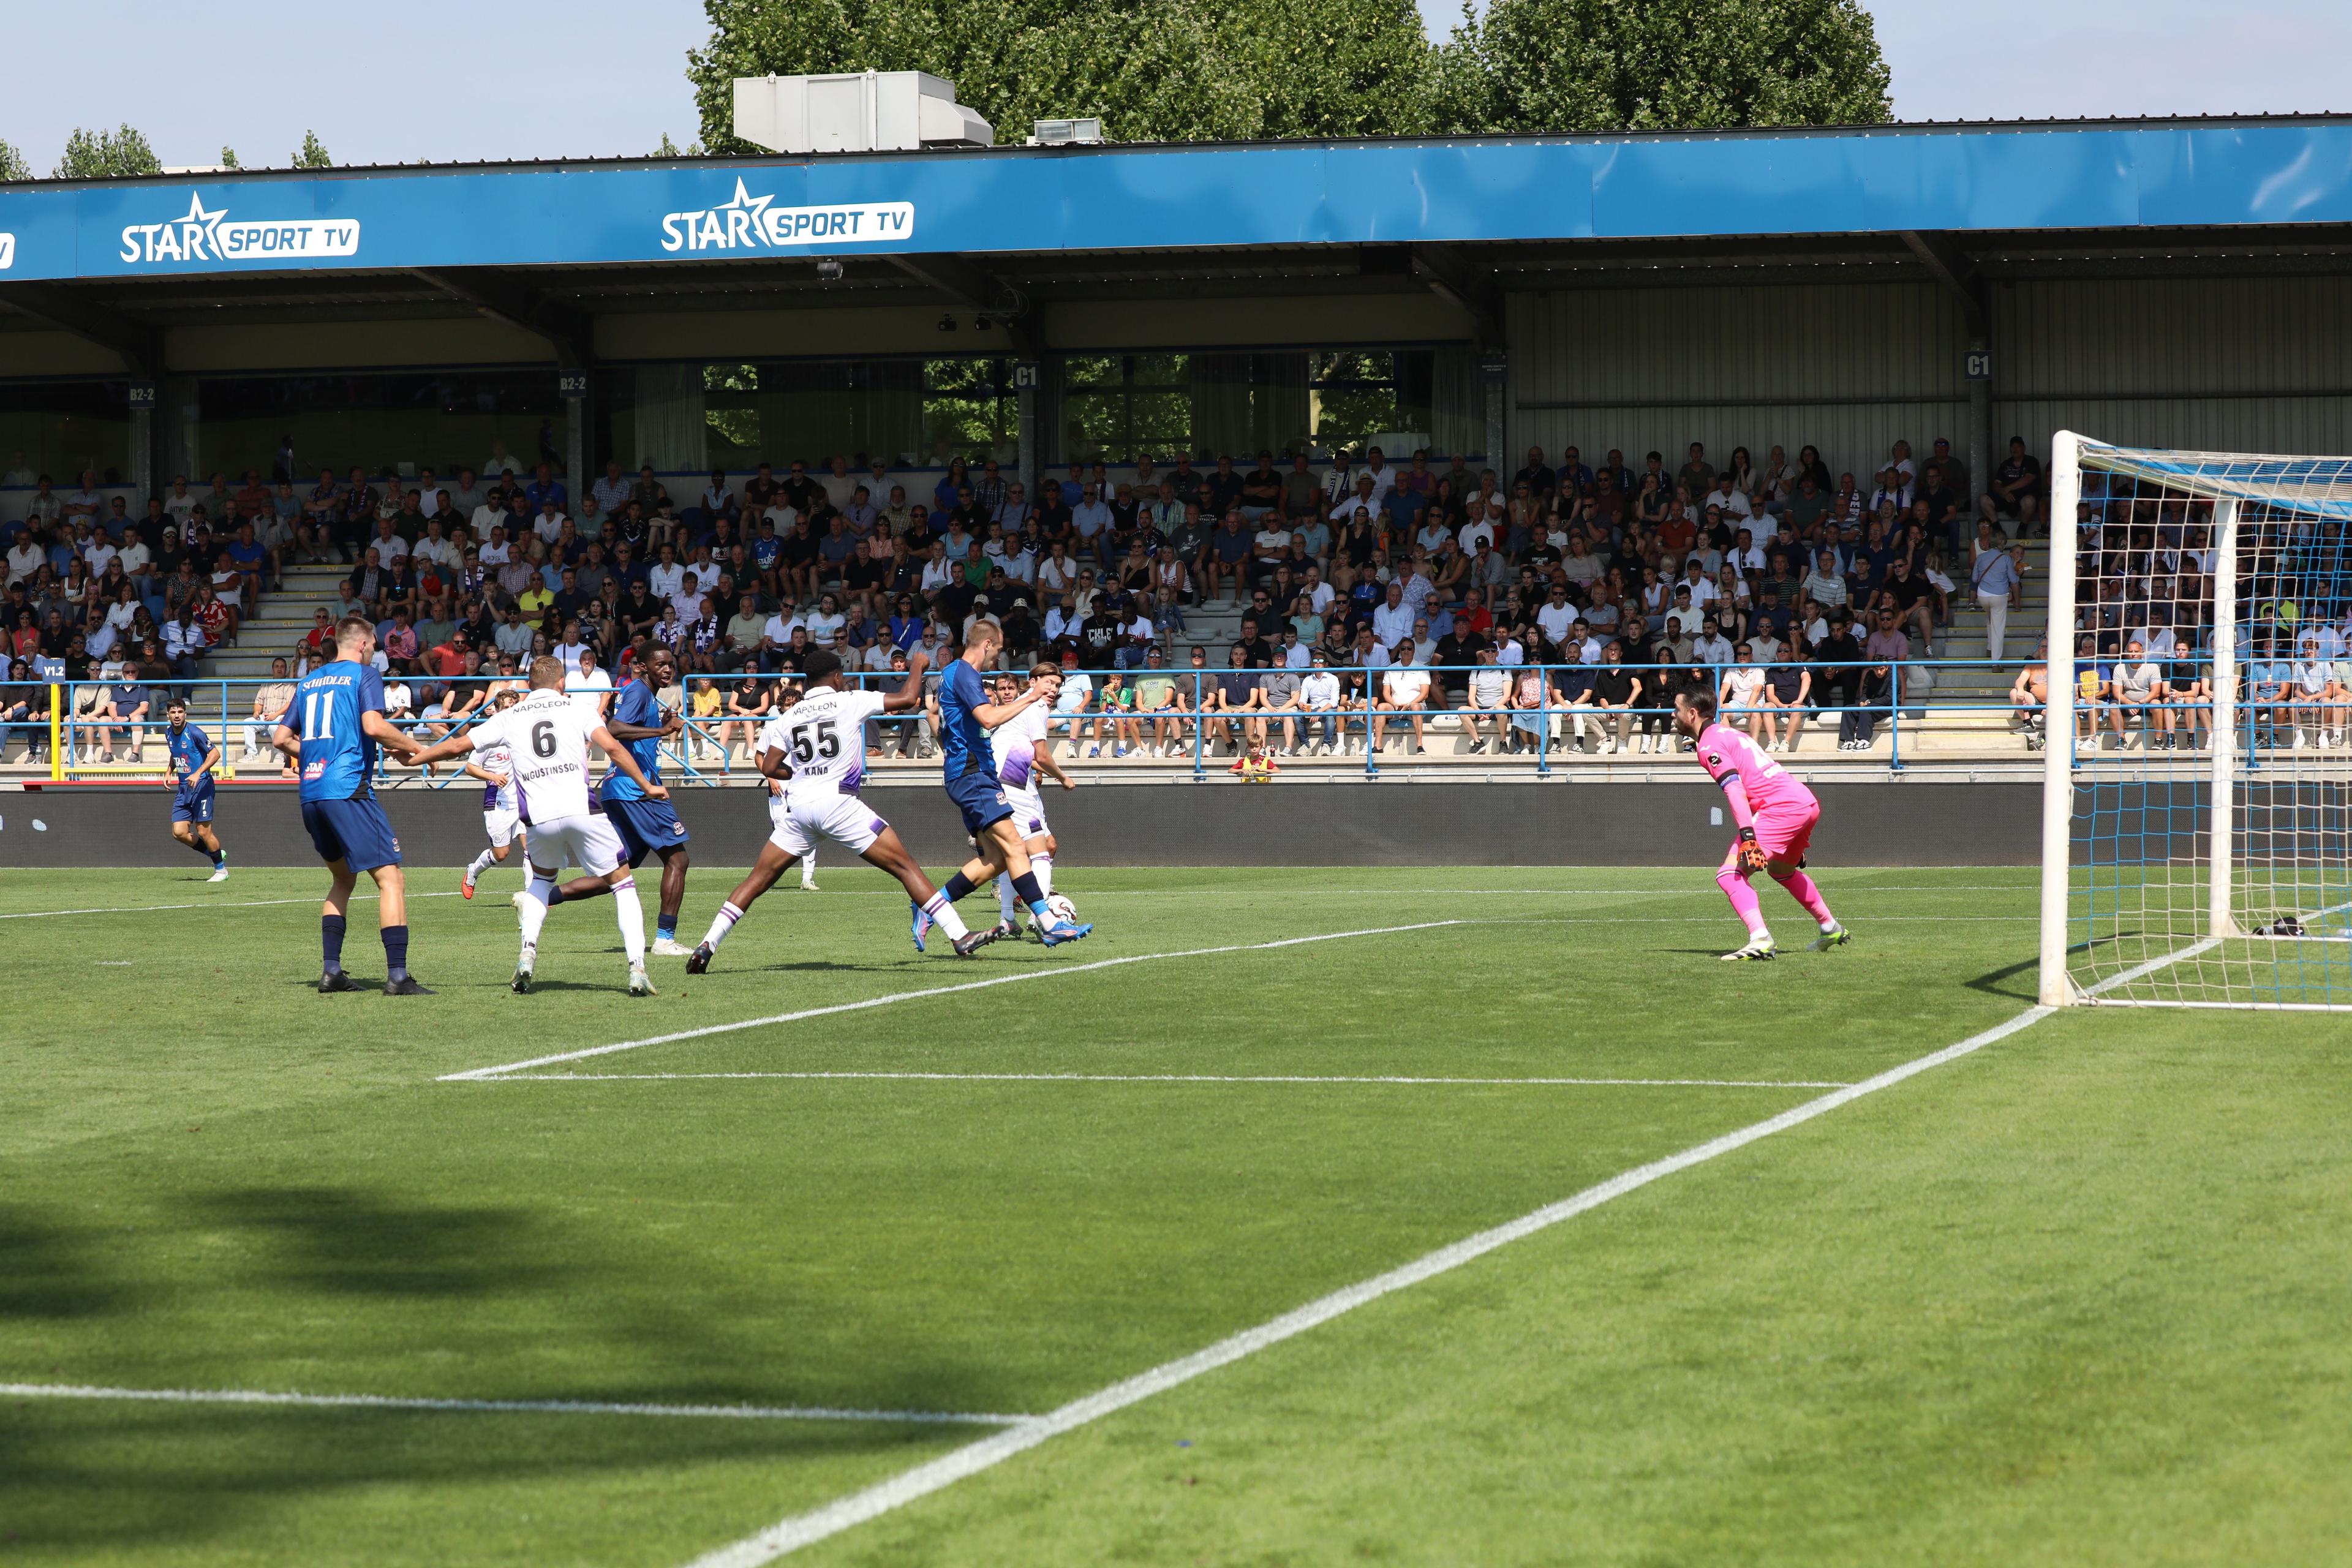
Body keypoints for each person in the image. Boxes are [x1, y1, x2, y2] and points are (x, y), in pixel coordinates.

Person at [689, 650, 997, 969]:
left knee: (756, 880)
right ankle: (959, 934)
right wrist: (918, 665)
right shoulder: (849, 700)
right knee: (905, 867)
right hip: (838, 803)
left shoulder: (789, 716)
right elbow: (908, 698)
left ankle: (707, 944)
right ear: (836, 677)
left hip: (799, 809)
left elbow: (769, 765)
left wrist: (799, 775)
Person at [404, 656, 668, 996]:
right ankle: (637, 969)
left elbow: (456, 746)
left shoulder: (510, 716)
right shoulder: (578, 708)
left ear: (528, 685)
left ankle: (528, 952)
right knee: (623, 884)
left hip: (538, 819)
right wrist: (647, 786)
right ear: (562, 683)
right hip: (581, 809)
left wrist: (414, 757)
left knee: (541, 882)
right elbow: (614, 748)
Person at [272, 614, 432, 994]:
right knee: (391, 879)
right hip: (348, 789)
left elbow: (281, 738)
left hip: (312, 793)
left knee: (343, 878)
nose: (375, 651)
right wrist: (417, 747)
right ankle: (397, 976)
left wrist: (316, 756)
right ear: (362, 644)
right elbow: (374, 726)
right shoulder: (365, 676)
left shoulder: (309, 681)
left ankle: (331, 972)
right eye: (374, 645)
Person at [916, 621, 1091, 948]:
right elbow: (988, 719)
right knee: (1017, 846)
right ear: (987, 644)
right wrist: (1031, 697)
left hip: (975, 772)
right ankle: (1047, 921)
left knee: (997, 859)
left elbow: (955, 724)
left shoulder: (955, 674)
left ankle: (930, 907)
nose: (998, 655)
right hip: (973, 772)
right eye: (997, 649)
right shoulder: (965, 673)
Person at [515, 646, 696, 954]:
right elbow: (615, 728)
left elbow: (628, 727)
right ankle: (665, 940)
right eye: (661, 664)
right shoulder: (639, 691)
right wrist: (662, 729)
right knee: (678, 860)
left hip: (617, 791)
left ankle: (538, 898)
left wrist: (657, 726)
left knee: (614, 873)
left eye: (671, 665)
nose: (668, 670)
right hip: (635, 791)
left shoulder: (644, 694)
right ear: (641, 666)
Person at [1674, 687, 1849, 961]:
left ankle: (1760, 939)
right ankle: (1830, 927)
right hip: (1804, 802)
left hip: (1780, 808)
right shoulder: (1730, 733)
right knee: (1781, 870)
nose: (1673, 715)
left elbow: (1735, 789)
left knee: (1729, 875)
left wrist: (1749, 837)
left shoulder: (1708, 744)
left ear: (1692, 714)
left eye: (1677, 710)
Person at [986, 666, 1077, 940]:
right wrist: (1063, 777)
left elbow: (1026, 752)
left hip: (1008, 782)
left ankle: (1007, 918)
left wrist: (1042, 770)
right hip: (1013, 783)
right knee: (1040, 851)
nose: (1053, 690)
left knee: (1016, 851)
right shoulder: (1035, 705)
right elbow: (1042, 753)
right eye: (1048, 683)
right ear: (1033, 682)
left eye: (1058, 686)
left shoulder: (1020, 706)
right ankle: (1042, 918)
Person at [459, 690, 528, 897]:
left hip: (523, 800)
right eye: (506, 707)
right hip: (499, 801)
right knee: (501, 853)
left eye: (514, 707)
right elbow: (470, 767)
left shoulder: (524, 733)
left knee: (531, 848)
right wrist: (492, 776)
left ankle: (534, 893)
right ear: (497, 711)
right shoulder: (489, 735)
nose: (510, 711)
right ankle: (473, 871)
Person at [160, 696, 228, 881]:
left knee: (204, 831)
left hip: (202, 785)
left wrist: (198, 773)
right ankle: (214, 853)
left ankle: (221, 871)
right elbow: (176, 754)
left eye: (180, 712)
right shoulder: (168, 733)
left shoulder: (195, 733)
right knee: (179, 832)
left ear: (185, 714)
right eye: (173, 712)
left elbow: (215, 754)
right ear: (168, 715)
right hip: (184, 788)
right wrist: (168, 771)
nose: (177, 715)